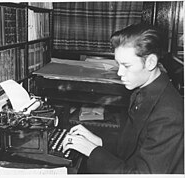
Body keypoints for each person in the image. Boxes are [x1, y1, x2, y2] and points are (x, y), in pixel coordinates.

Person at [62, 23, 184, 174]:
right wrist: (98, 141)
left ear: (151, 62)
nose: (119, 73)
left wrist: (92, 151)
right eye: (118, 64)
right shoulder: (144, 91)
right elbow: (133, 147)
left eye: (126, 65)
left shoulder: (169, 114)